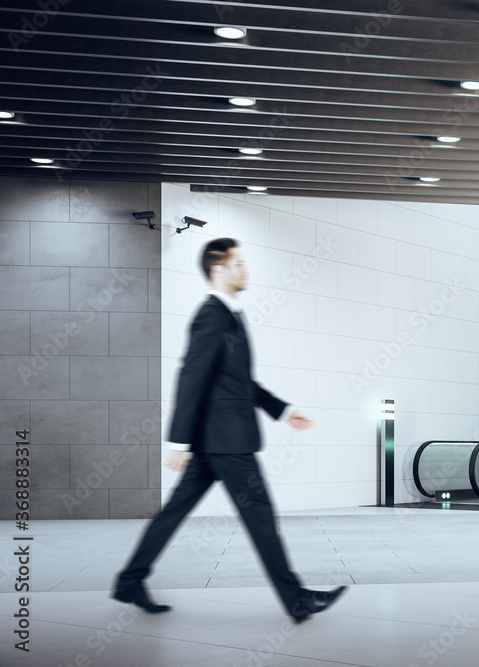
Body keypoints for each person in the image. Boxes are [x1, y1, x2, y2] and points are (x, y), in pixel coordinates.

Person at [112, 237, 345, 623]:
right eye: (238, 264)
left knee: (175, 511)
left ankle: (129, 581)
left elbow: (238, 382)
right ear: (218, 270)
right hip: (227, 442)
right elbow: (190, 377)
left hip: (215, 441)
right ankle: (297, 600)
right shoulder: (212, 316)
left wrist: (282, 410)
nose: (246, 269)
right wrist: (177, 441)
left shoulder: (230, 316)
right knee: (261, 517)